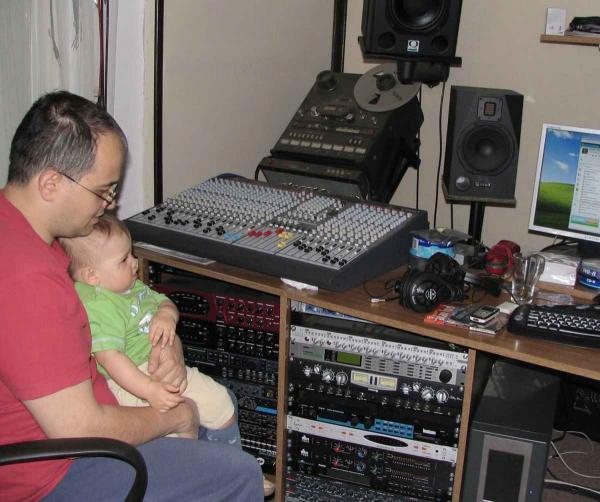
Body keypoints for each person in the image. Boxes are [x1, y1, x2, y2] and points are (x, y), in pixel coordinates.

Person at [0, 91, 263, 501]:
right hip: (54, 473)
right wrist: (174, 417)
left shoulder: (29, 234)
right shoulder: (26, 279)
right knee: (237, 474)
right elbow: (78, 429)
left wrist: (169, 346)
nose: (110, 203)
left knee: (218, 404)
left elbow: (112, 313)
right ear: (51, 183)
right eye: (103, 191)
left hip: (76, 430)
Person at [60, 214, 275, 496]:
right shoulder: (98, 303)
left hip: (158, 367)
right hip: (131, 380)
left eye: (132, 254)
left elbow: (164, 302)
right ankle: (202, 477)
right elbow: (110, 358)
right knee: (174, 437)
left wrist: (166, 316)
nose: (134, 262)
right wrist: (149, 390)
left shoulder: (129, 286)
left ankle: (236, 466)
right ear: (92, 276)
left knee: (222, 403)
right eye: (124, 260)